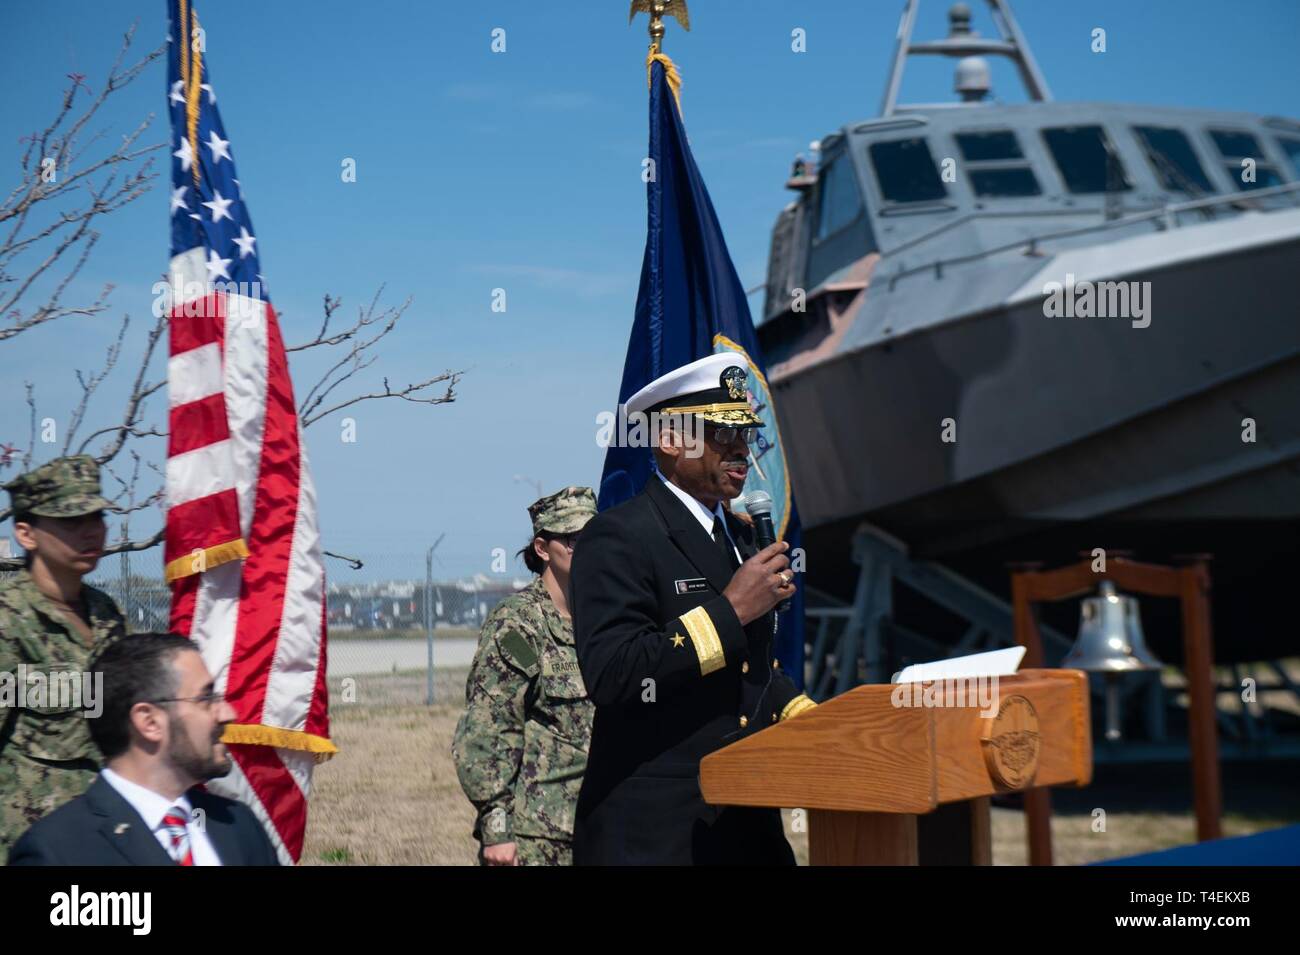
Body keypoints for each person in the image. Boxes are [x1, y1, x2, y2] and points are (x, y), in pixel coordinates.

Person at [571, 353, 817, 865]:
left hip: (745, 822)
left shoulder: (741, 538)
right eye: (721, 434)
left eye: (745, 435)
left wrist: (804, 713)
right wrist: (732, 610)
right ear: (669, 441)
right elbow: (614, 674)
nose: (741, 452)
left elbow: (752, 666)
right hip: (658, 834)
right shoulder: (617, 536)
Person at [8, 632, 279, 865]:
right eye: (206, 698)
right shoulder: (57, 852)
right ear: (149, 722)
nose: (227, 713)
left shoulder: (236, 825)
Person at [452, 486, 598, 866]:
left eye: (593, 537)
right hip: (537, 834)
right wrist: (497, 831)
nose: (585, 547)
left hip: (603, 825)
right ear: (542, 548)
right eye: (572, 539)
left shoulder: (604, 620)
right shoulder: (519, 623)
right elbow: (489, 727)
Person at [0, 455, 127, 861]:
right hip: (30, 845)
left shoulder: (107, 614)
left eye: (96, 518)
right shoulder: (8, 620)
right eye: (71, 522)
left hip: (105, 835)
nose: (91, 532)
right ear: (26, 533)